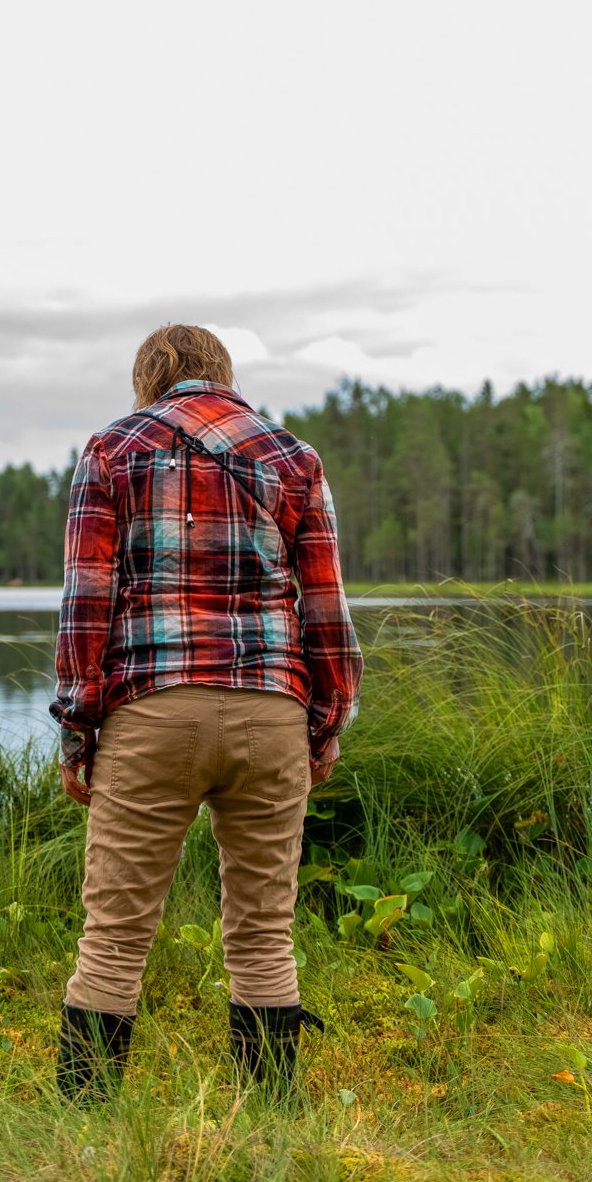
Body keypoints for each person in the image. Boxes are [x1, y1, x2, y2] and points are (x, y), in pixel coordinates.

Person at [48, 323, 363, 1099]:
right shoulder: (293, 457)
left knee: (116, 935)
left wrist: (77, 730)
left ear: (148, 378)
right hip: (271, 711)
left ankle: (84, 1119)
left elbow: (86, 607)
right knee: (263, 931)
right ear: (222, 373)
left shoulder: (111, 451)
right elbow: (327, 610)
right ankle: (269, 1115)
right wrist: (325, 723)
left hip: (152, 709)